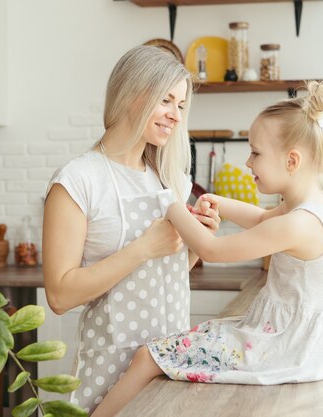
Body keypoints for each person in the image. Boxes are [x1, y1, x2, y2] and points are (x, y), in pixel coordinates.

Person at [91, 81, 323, 417]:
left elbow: (211, 250)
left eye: (256, 153)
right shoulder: (314, 206)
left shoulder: (297, 224)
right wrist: (217, 202)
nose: (248, 163)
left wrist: (172, 207)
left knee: (148, 356)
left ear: (292, 161)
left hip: (288, 348)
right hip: (302, 343)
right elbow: (260, 219)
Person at [42, 45, 220, 413]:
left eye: (181, 105)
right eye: (166, 100)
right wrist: (144, 247)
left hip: (167, 364)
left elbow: (160, 276)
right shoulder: (79, 180)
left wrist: (196, 244)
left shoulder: (164, 177)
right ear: (132, 94)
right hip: (110, 370)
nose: (175, 115)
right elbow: (59, 295)